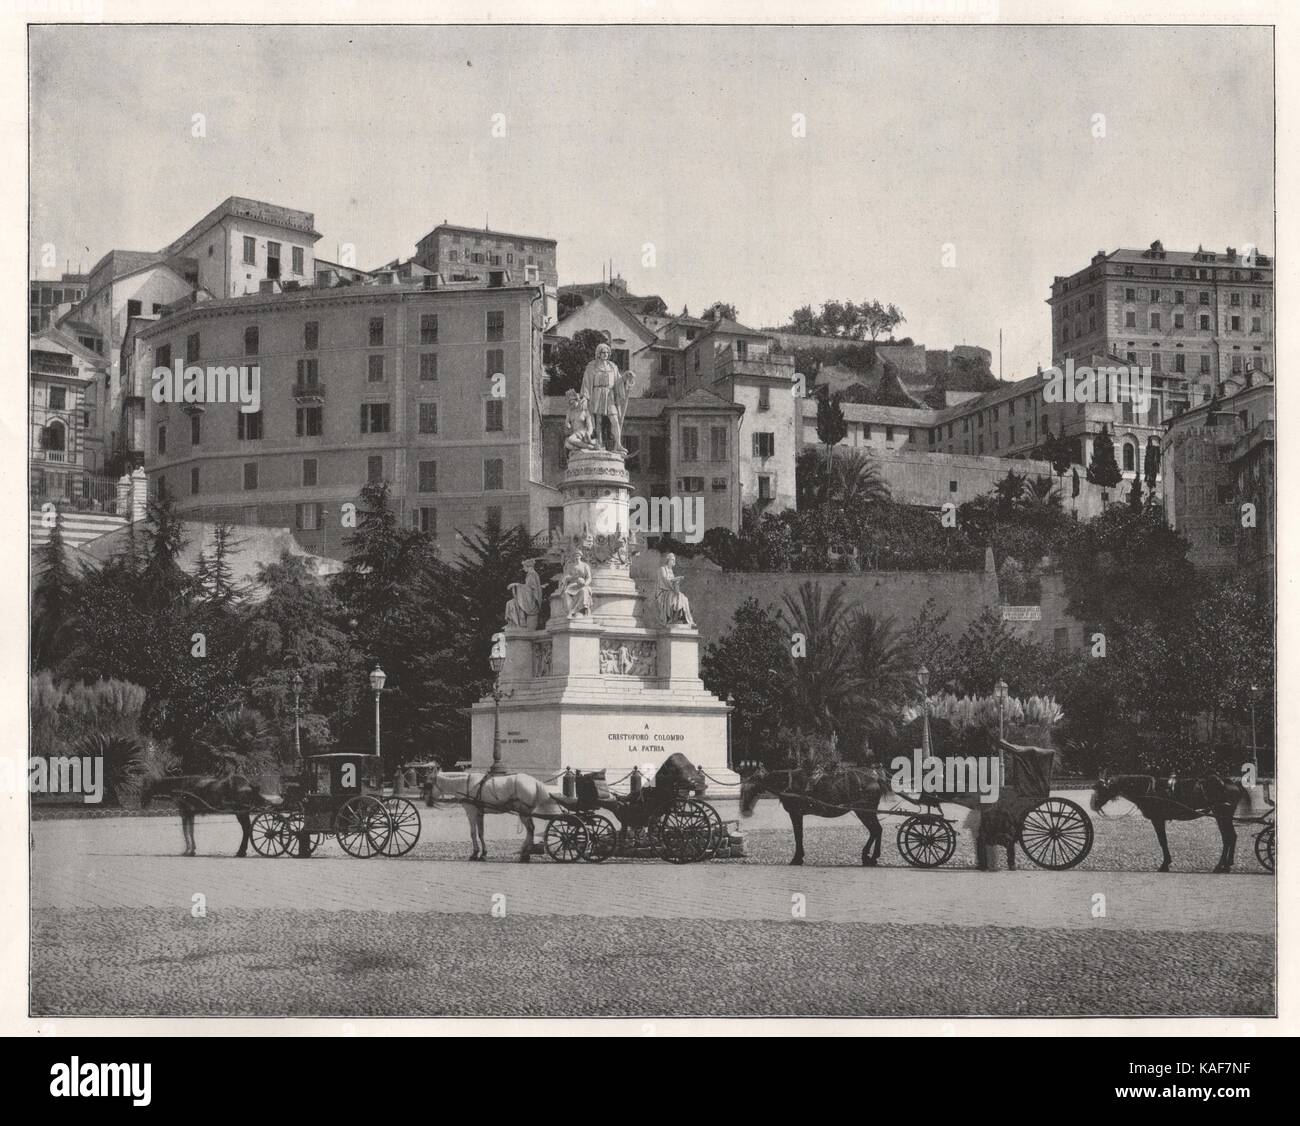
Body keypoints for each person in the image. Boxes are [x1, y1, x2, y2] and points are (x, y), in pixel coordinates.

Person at [654, 552, 695, 627]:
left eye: (674, 560)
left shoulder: (671, 571)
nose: (674, 562)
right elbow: (665, 580)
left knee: (683, 598)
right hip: (663, 591)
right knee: (675, 596)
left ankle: (679, 618)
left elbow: (672, 581)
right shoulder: (662, 569)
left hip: (671, 591)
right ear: (668, 560)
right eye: (672, 560)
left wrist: (676, 581)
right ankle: (672, 619)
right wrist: (674, 581)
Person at [560, 549, 593, 618]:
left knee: (583, 591)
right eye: (575, 555)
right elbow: (566, 577)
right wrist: (572, 577)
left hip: (582, 585)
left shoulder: (585, 565)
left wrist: (585, 583)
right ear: (573, 557)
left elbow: (589, 577)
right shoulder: (570, 566)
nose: (577, 557)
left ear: (581, 556)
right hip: (572, 585)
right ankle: (570, 611)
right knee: (566, 593)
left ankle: (577, 611)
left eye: (578, 555)